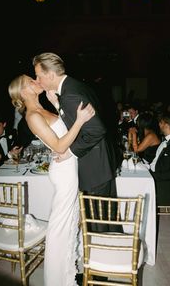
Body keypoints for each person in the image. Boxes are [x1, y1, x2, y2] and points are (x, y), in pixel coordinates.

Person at [8, 74, 95, 286]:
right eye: (30, 81)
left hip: (67, 167)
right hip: (63, 172)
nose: (35, 80)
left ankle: (67, 272)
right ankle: (57, 280)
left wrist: (57, 103)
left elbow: (60, 132)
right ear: (23, 92)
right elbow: (58, 146)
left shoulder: (41, 108)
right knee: (60, 227)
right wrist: (81, 120)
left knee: (68, 222)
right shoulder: (32, 116)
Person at [32, 52, 119, 211]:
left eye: (38, 76)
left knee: (97, 222)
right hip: (99, 163)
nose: (37, 81)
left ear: (51, 75)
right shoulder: (73, 86)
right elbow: (74, 120)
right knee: (103, 217)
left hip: (94, 167)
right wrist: (57, 105)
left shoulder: (70, 94)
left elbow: (96, 130)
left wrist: (70, 152)